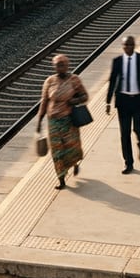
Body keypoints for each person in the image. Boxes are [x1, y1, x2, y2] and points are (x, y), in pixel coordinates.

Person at [106, 36, 140, 174]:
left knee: (138, 129)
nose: (127, 47)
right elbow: (112, 81)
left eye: (130, 44)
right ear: (122, 47)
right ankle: (128, 162)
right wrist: (108, 101)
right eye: (125, 45)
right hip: (123, 102)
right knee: (124, 133)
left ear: (134, 45)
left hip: (138, 101)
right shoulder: (117, 61)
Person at [37, 54, 88, 189]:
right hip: (53, 121)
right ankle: (61, 179)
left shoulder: (74, 80)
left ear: (67, 65)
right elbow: (44, 101)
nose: (60, 68)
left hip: (69, 120)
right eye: (57, 65)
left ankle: (75, 163)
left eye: (63, 65)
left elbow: (84, 96)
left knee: (72, 146)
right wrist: (39, 120)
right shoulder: (49, 81)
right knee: (57, 151)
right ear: (54, 66)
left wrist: (74, 101)